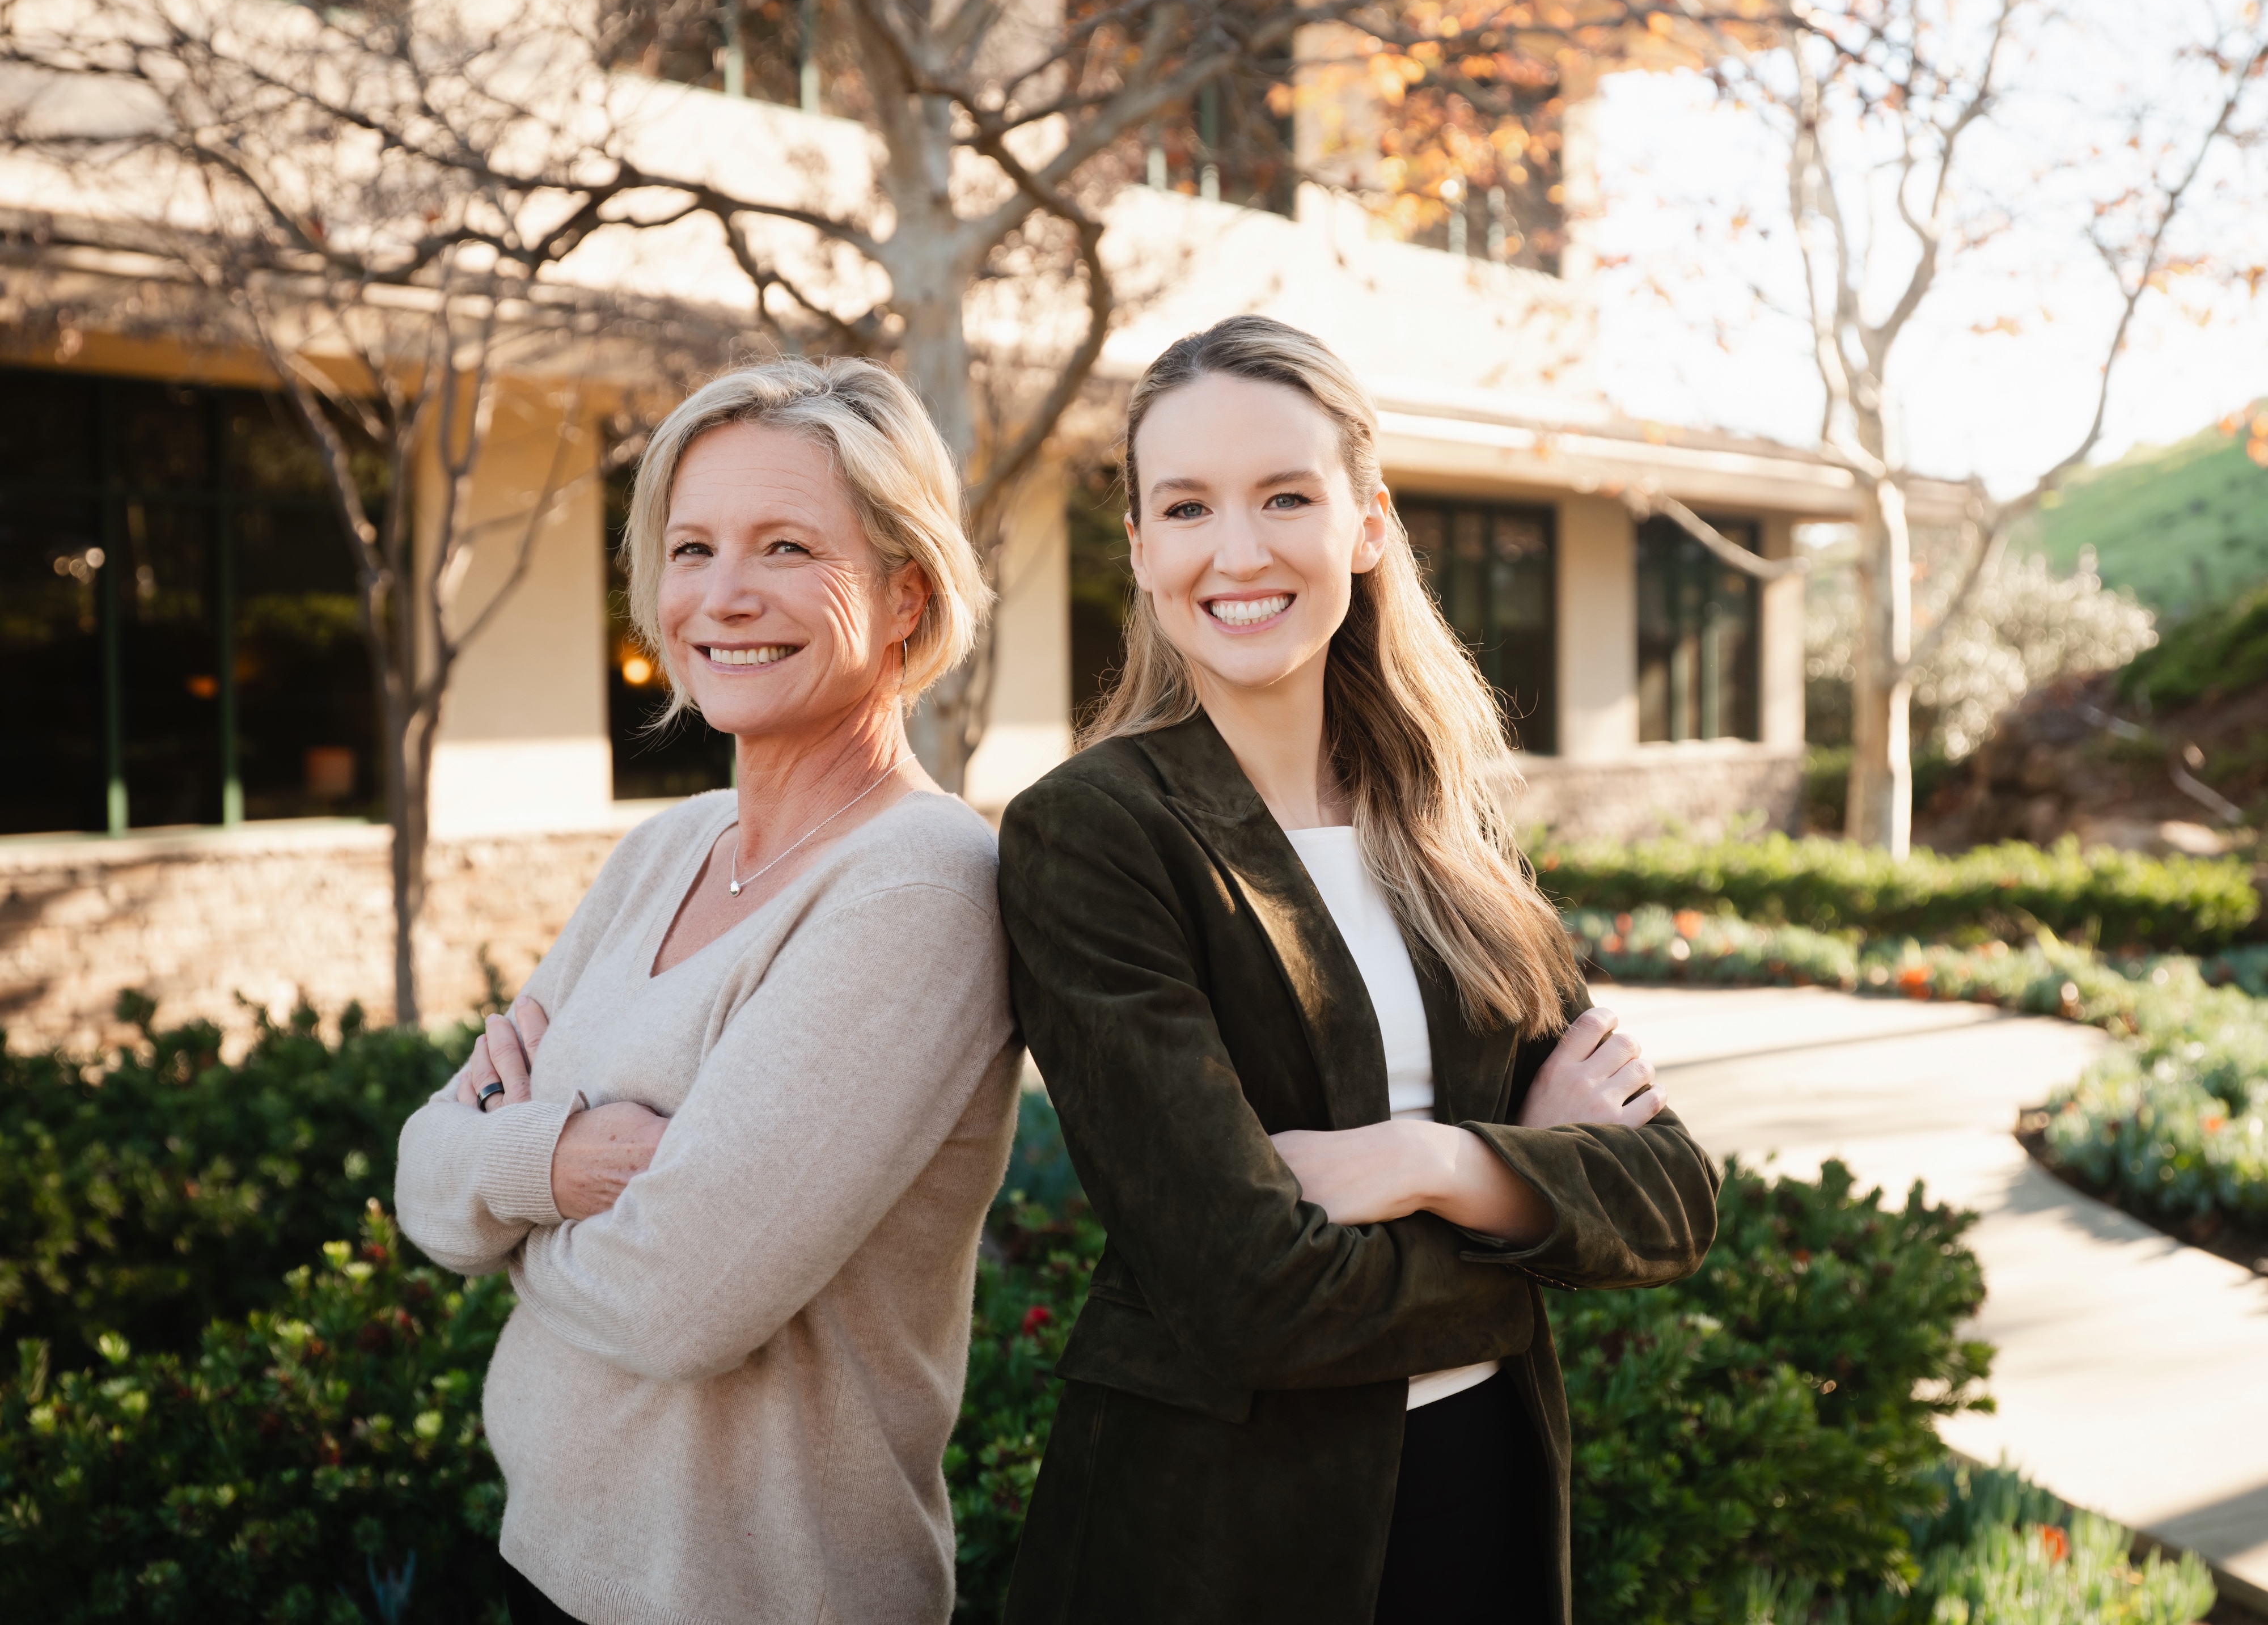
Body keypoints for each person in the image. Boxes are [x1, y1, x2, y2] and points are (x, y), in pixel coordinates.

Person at [996, 316, 1721, 1625]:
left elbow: (1670, 1198)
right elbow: (1246, 1293)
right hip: (1223, 1541)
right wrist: (1532, 1193)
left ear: (1367, 524)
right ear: (1141, 548)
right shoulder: (1094, 832)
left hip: (1483, 1487)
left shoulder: (1440, 827)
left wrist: (1431, 1160)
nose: (1237, 552)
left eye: (1285, 497)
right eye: (1187, 508)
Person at [395, 358, 1020, 1625]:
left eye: (787, 547)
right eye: (692, 549)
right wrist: (556, 1164)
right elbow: (419, 1178)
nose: (723, 595)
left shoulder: (920, 885)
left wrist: (499, 1188)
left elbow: (677, 1302)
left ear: (906, 592)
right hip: (549, 1560)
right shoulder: (665, 850)